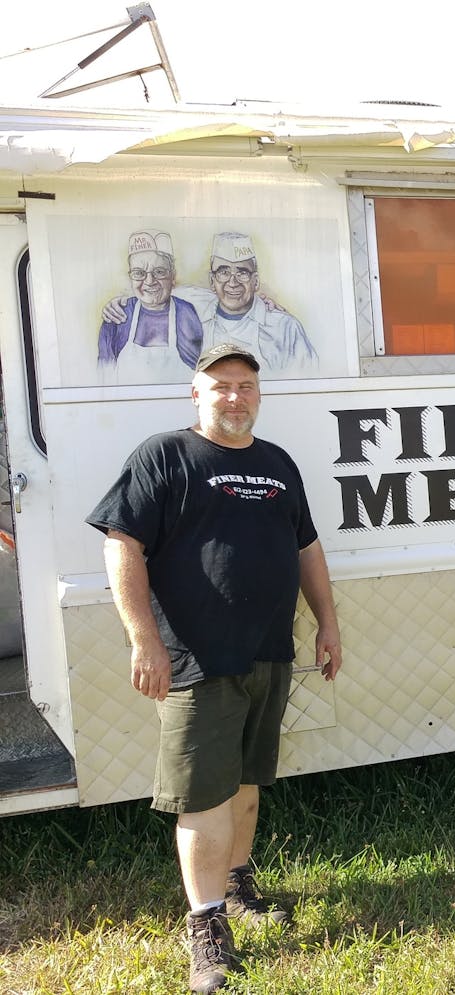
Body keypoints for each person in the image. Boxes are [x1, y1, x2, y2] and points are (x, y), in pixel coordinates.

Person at [86, 342, 341, 993]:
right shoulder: (164, 456)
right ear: (195, 394)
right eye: (220, 385)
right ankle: (206, 932)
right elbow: (124, 545)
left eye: (246, 385)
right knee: (203, 796)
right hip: (195, 658)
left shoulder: (277, 463)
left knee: (247, 782)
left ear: (259, 395)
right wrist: (143, 639)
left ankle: (237, 886)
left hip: (268, 651)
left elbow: (306, 546)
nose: (235, 395)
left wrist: (329, 623)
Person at [188, 232, 318, 373]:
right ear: (212, 281)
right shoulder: (194, 323)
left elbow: (310, 379)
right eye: (224, 272)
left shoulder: (285, 327)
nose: (232, 283)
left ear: (255, 281)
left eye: (242, 273)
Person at [97, 229, 204, 381]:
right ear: (130, 277)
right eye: (139, 273)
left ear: (173, 276)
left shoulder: (187, 313)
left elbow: (201, 373)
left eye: (159, 272)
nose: (149, 281)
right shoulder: (118, 315)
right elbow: (103, 379)